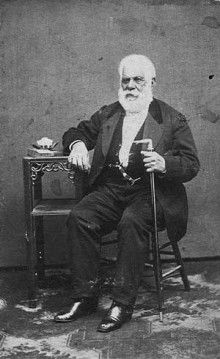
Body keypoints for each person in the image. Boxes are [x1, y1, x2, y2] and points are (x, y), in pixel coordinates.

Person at [54, 54, 200, 332]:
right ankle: (84, 296)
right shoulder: (109, 112)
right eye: (126, 80)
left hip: (153, 192)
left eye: (138, 80)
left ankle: (122, 303)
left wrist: (165, 163)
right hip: (113, 189)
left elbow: (192, 164)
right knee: (80, 216)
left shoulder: (172, 118)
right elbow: (77, 131)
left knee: (132, 221)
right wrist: (77, 146)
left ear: (152, 82)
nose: (131, 86)